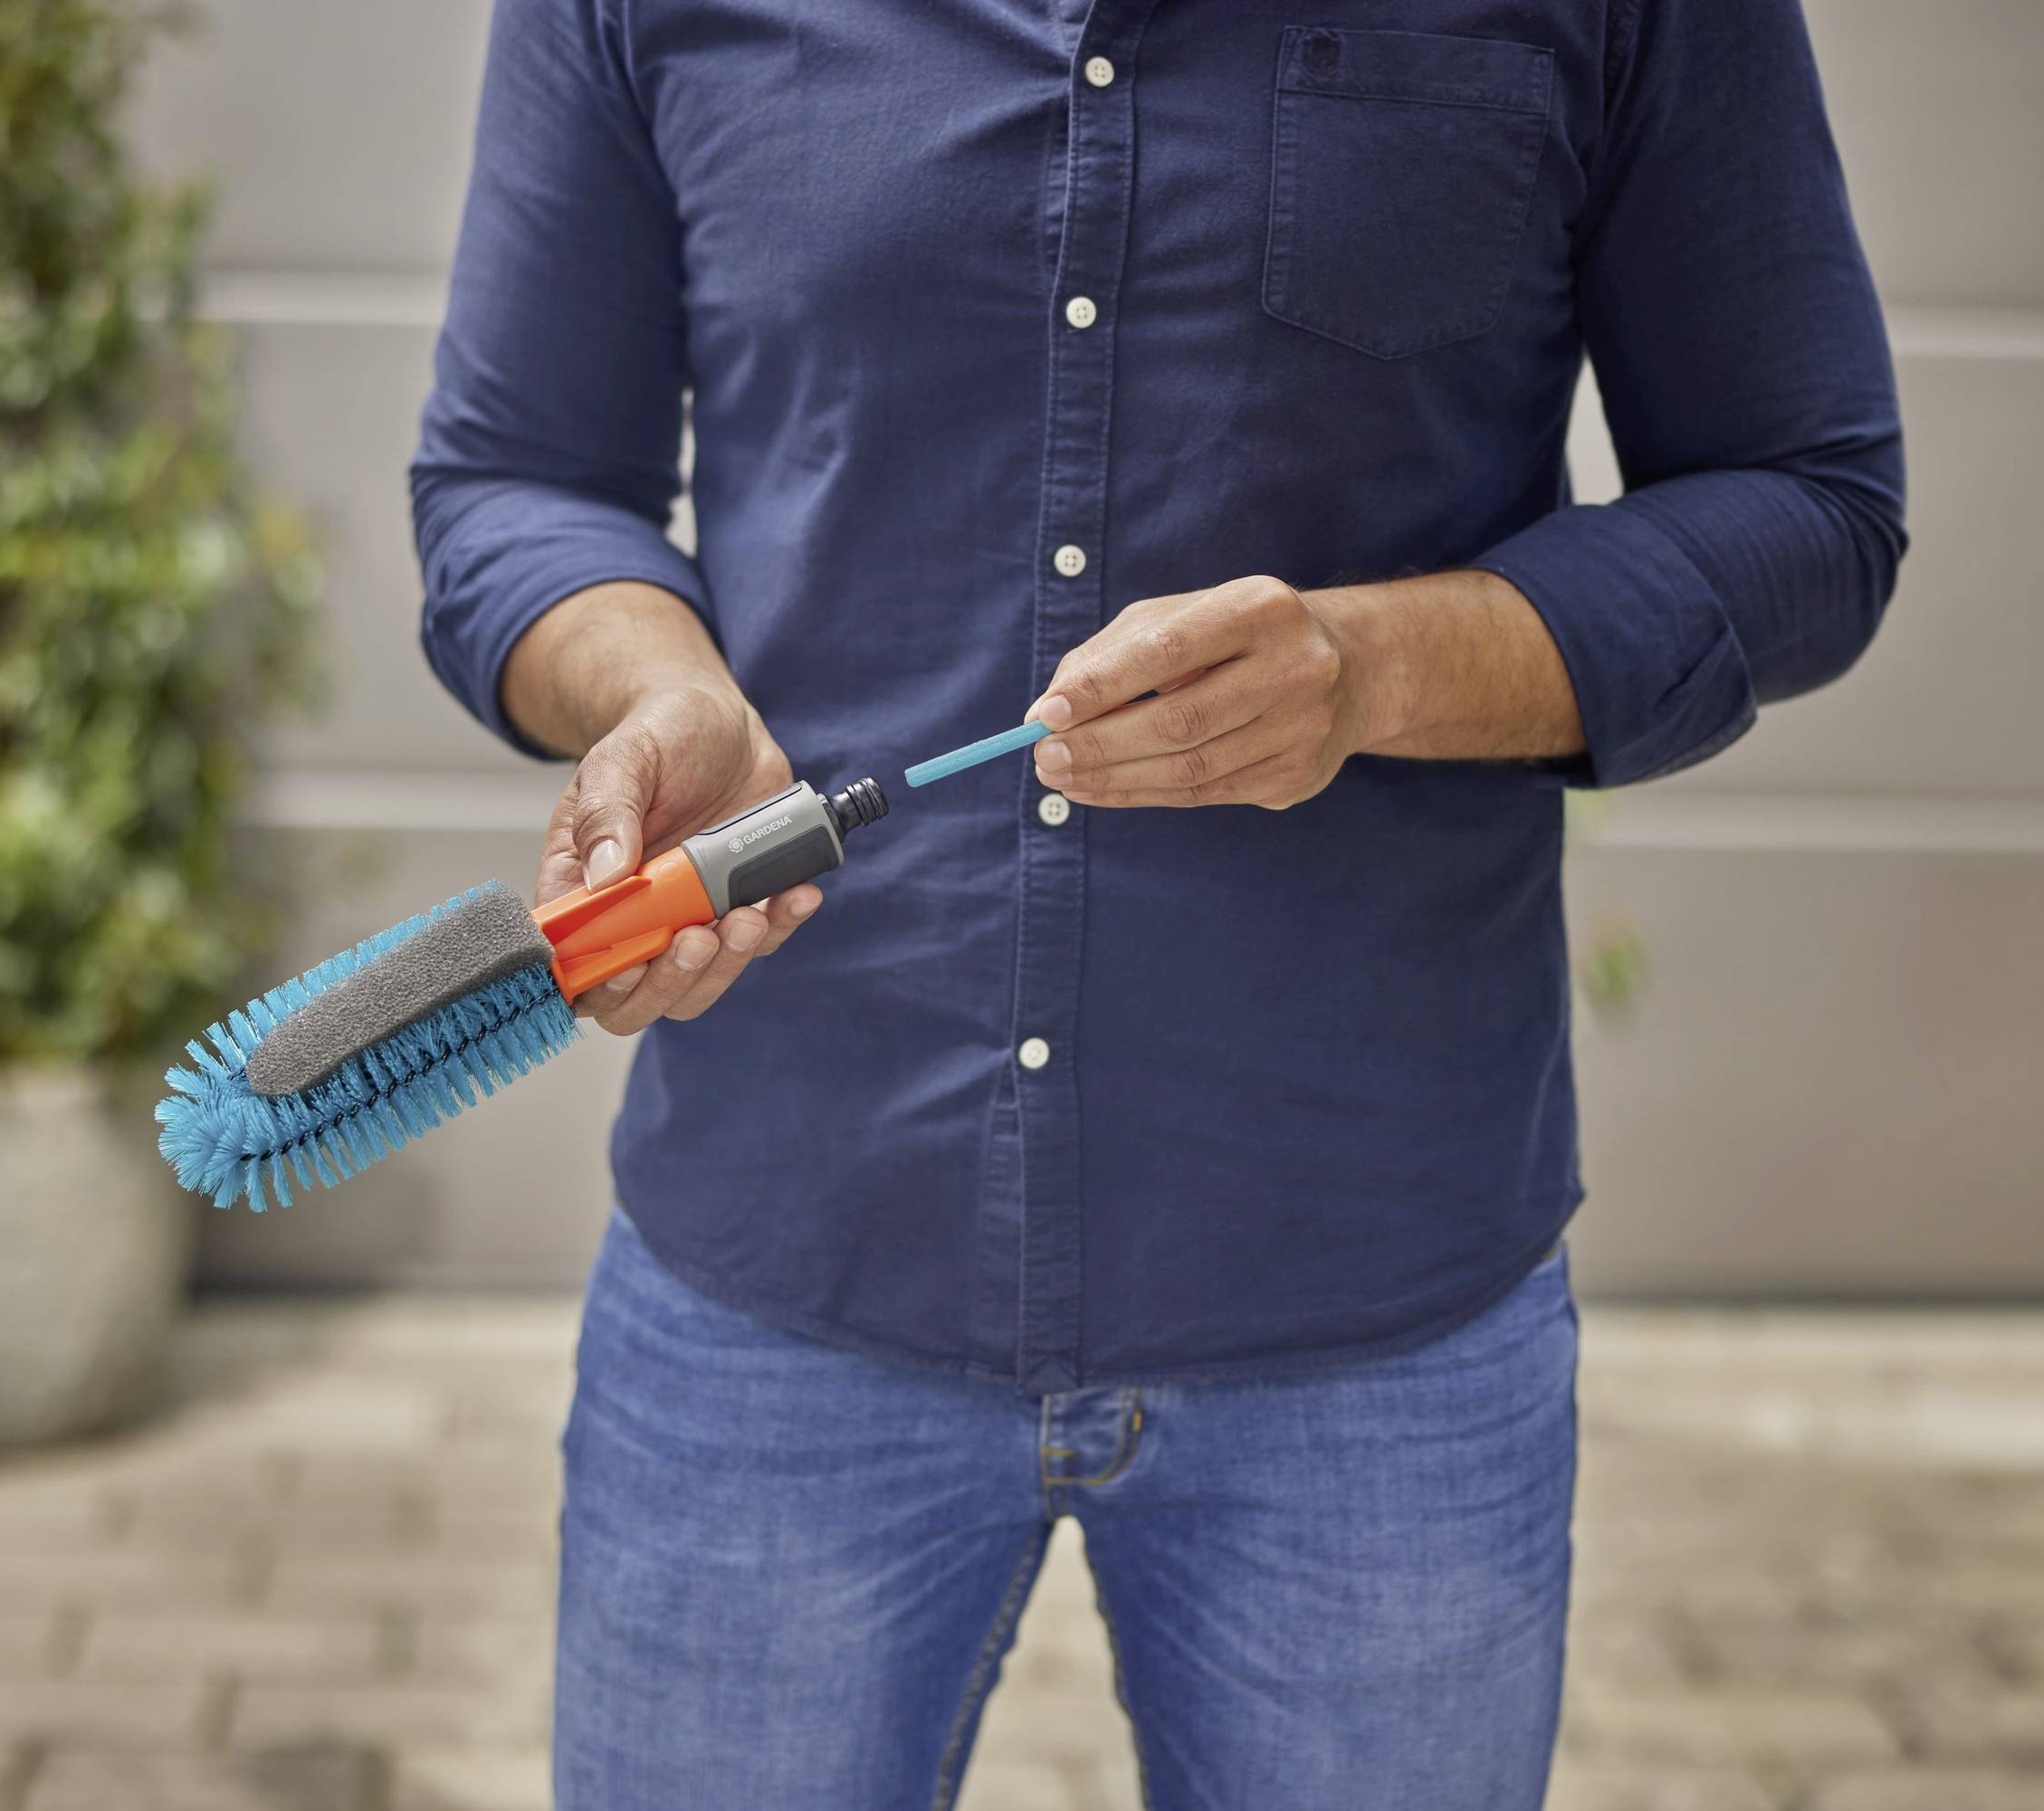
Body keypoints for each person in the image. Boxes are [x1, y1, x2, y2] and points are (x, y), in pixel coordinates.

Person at [411, 0, 1904, 1803]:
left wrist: (1374, 667)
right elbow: (513, 480)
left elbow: (1808, 503)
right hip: (785, 1269)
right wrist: (657, 690)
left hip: (1373, 1306)